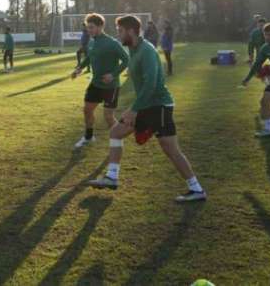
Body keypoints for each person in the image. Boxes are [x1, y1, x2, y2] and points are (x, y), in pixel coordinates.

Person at [88, 15, 206, 202]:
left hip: (158, 105)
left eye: (120, 31)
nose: (118, 35)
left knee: (170, 150)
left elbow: (150, 84)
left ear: (131, 31)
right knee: (117, 133)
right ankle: (112, 177)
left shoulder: (147, 50)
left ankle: (196, 189)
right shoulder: (134, 50)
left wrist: (134, 109)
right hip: (150, 105)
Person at [71, 14, 129, 148]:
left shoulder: (112, 43)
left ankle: (118, 139)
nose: (89, 30)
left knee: (108, 117)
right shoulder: (91, 42)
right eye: (87, 28)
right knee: (87, 110)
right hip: (95, 84)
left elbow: (126, 60)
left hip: (111, 86)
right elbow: (89, 58)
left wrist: (113, 75)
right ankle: (89, 137)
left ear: (101, 26)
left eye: (91, 27)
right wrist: (79, 68)